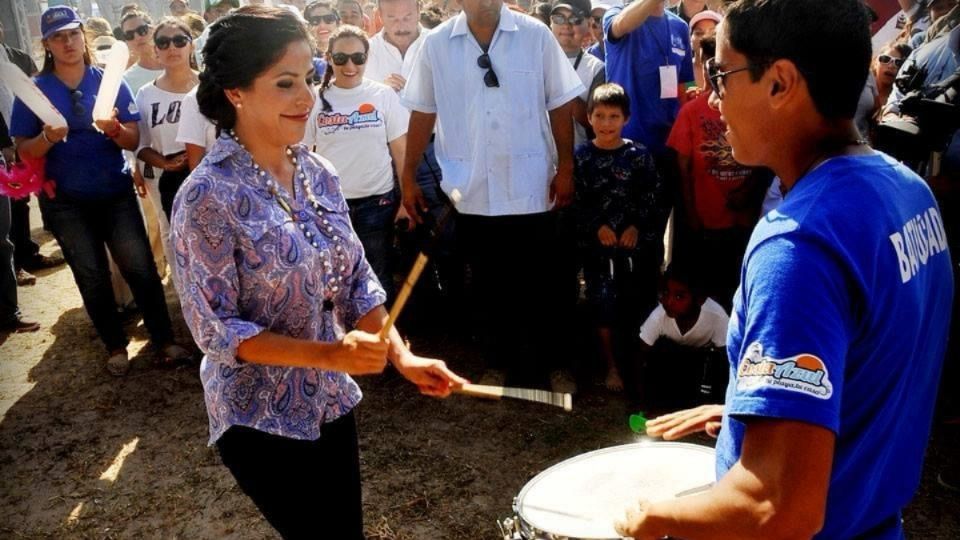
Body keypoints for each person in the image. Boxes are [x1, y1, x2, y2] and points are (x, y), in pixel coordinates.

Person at [616, 1, 953, 539]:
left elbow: (777, 507)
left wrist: (649, 516)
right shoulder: (907, 192)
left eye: (722, 74)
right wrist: (759, 413)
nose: (711, 94)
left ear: (780, 84)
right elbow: (873, 374)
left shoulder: (798, 245)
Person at [171, 8, 465, 538]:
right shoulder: (206, 196)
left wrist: (401, 355)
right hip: (257, 415)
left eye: (309, 77)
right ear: (236, 91)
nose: (308, 97)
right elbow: (216, 330)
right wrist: (331, 354)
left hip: (327, 397)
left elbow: (357, 283)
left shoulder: (317, 172)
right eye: (285, 83)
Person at [401, 0, 584, 392]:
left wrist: (566, 165)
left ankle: (555, 365)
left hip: (532, 184)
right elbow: (421, 111)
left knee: (546, 282)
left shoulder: (535, 36)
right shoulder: (435, 44)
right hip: (472, 189)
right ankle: (497, 363)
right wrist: (407, 174)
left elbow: (559, 104)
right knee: (486, 284)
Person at [10, 6, 191, 376]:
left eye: (73, 33)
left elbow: (134, 137)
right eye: (58, 36)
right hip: (65, 201)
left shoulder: (108, 80)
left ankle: (164, 340)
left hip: (115, 192)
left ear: (83, 37)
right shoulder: (35, 90)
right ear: (47, 44)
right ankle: (114, 345)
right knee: (90, 274)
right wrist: (47, 137)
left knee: (140, 267)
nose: (67, 42)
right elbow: (23, 149)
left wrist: (112, 130)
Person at [574, 83, 668, 392]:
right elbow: (575, 199)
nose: (606, 123)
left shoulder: (638, 155)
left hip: (634, 250)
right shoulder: (582, 157)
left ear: (626, 119)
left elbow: (653, 198)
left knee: (637, 304)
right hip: (597, 251)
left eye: (614, 116)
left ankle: (638, 365)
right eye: (599, 116)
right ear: (588, 118)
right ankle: (610, 367)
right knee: (603, 307)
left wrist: (635, 228)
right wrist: (596, 226)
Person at [305, 25, 410, 300]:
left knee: (378, 272)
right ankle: (348, 339)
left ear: (367, 57)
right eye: (340, 58)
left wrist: (405, 200)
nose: (349, 65)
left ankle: (382, 338)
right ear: (328, 57)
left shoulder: (383, 95)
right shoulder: (314, 99)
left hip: (377, 203)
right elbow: (301, 154)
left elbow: (400, 150)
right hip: (329, 206)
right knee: (337, 276)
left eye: (358, 58)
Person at [666, 35, 762, 309]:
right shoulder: (691, 112)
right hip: (705, 218)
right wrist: (689, 213)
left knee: (736, 282)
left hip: (742, 218)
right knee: (706, 286)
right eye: (711, 68)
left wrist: (748, 194)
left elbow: (762, 161)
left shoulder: (751, 107)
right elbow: (682, 167)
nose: (715, 76)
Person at [0, 20, 64, 288]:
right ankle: (16, 266)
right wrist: (6, 142)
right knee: (10, 203)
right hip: (3, 142)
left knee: (23, 200)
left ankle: (28, 254)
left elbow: (38, 96)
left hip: (32, 137)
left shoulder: (18, 58)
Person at [603, 0, 695, 157]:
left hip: (668, 141)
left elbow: (685, 83)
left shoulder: (680, 26)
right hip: (626, 142)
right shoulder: (617, 14)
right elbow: (620, 25)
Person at [135, 16, 198, 231]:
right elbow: (140, 145)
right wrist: (165, 163)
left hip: (216, 173)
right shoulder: (146, 94)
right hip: (172, 179)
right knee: (176, 238)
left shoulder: (211, 86)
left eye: (180, 40)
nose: (172, 47)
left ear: (192, 45)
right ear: (156, 50)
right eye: (163, 42)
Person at [635, 262, 728, 406]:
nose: (669, 302)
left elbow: (728, 360)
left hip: (700, 367)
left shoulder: (717, 317)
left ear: (700, 299)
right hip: (669, 365)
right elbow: (640, 358)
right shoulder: (659, 316)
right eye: (665, 293)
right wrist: (642, 402)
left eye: (679, 296)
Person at [549, 0, 606, 148]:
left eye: (575, 19)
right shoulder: (533, 60)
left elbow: (597, 122)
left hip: (579, 160)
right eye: (559, 18)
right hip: (536, 158)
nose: (566, 25)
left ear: (588, 24)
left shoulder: (596, 69)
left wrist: (562, 93)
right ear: (550, 22)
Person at [364, 0, 425, 91]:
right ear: (380, 16)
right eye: (392, 18)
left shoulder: (439, 46)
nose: (401, 27)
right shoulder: (366, 53)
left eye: (407, 17)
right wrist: (380, 92)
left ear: (418, 11)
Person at [303, 0, 339, 81]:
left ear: (337, 23)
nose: (322, 25)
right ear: (307, 26)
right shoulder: (303, 58)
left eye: (329, 19)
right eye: (315, 21)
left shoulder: (349, 53)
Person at [687, 9, 720, 90]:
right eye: (699, 33)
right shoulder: (681, 69)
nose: (704, 38)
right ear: (690, 38)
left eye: (712, 33)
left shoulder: (727, 69)